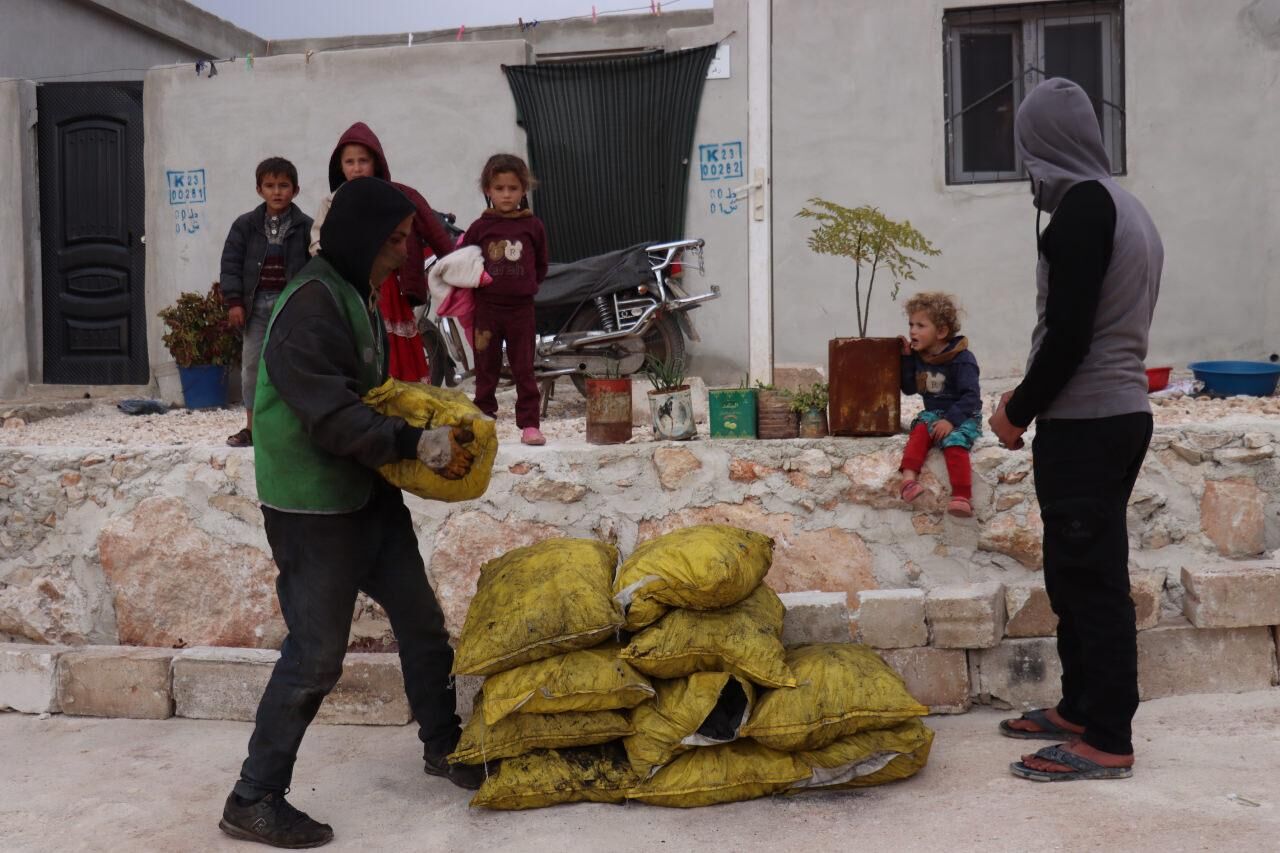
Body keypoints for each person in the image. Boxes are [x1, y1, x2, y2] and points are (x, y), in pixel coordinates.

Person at [219, 178, 484, 850]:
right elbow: (333, 415)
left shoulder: (353, 292)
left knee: (422, 623)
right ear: (362, 237)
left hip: (364, 493)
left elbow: (366, 391)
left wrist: (418, 418)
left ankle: (442, 744)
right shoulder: (311, 305)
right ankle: (253, 796)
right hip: (313, 507)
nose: (401, 254)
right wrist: (411, 442)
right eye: (393, 241)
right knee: (315, 657)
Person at [989, 78, 1163, 782]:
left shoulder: (1083, 210)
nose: (1028, 171)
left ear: (1047, 146)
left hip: (1087, 422)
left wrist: (1016, 410)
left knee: (1092, 582)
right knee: (1073, 571)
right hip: (1116, 415)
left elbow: (1069, 336)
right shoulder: (1126, 206)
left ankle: (1108, 736)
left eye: (1028, 151)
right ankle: (1079, 705)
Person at [310, 122, 456, 383]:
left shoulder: (392, 198)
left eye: (363, 160)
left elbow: (430, 228)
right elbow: (317, 242)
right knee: (354, 337)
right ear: (340, 167)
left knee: (388, 341)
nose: (356, 168)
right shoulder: (331, 203)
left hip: (386, 285)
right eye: (350, 161)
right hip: (347, 286)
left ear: (376, 162)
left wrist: (458, 263)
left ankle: (398, 403)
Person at [219, 157, 313, 447]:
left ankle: (294, 428)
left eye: (283, 186)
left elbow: (315, 268)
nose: (277, 192)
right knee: (252, 367)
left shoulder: (307, 226)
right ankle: (252, 428)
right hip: (255, 307)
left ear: (295, 190)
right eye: (270, 185)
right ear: (259, 189)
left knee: (295, 365)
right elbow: (231, 264)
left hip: (292, 308)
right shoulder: (245, 225)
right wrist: (235, 302)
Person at [459, 153, 549, 446]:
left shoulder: (533, 226)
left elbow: (541, 265)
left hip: (522, 310)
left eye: (513, 188)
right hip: (488, 310)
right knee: (486, 367)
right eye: (500, 188)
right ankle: (484, 419)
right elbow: (468, 261)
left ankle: (530, 425)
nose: (506, 195)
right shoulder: (480, 228)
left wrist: (527, 285)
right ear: (488, 190)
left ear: (524, 190)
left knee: (524, 367)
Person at [897, 292, 981, 518]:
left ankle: (962, 496)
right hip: (934, 413)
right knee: (920, 431)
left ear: (942, 331)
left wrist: (951, 421)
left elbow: (972, 397)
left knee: (954, 442)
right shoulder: (919, 357)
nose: (913, 331)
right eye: (911, 324)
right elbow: (909, 388)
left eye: (920, 325)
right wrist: (906, 358)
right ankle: (908, 481)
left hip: (962, 415)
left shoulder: (962, 359)